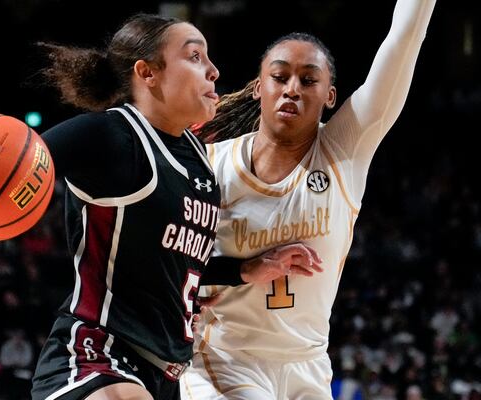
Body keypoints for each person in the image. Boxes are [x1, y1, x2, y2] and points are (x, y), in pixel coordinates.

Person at [0, 14, 321, 400]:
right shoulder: (111, 136)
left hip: (165, 373)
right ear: (148, 73)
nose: (213, 70)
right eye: (195, 56)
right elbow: (11, 163)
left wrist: (245, 269)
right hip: (98, 354)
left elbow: (172, 264)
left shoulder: (198, 160)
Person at [181, 0, 436, 399]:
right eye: (279, 77)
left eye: (308, 80)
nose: (292, 89)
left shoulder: (343, 152)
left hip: (309, 364)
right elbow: (167, 262)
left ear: (331, 95)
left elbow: (403, 41)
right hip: (225, 359)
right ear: (257, 88)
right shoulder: (208, 166)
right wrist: (246, 268)